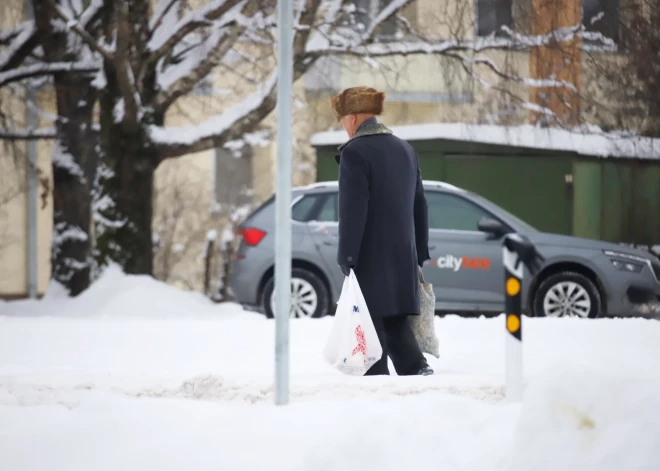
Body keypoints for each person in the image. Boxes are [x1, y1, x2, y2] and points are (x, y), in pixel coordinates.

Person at [331, 86, 433, 376]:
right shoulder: (405, 149)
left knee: (370, 320)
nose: (343, 127)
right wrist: (420, 251)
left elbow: (353, 210)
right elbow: (419, 204)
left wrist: (347, 256)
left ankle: (375, 382)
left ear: (351, 117)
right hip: (404, 252)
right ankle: (416, 369)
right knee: (395, 317)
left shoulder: (355, 152)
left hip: (370, 254)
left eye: (342, 121)